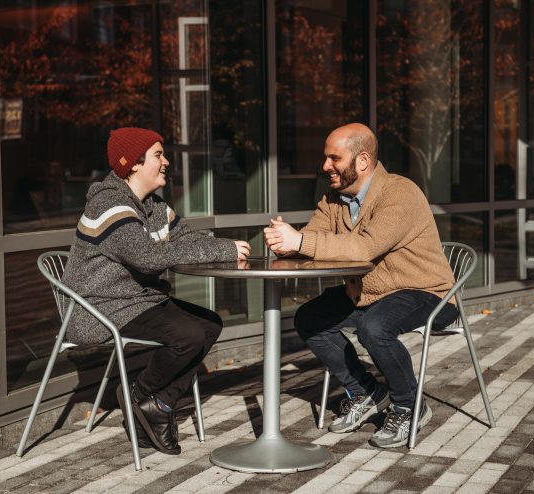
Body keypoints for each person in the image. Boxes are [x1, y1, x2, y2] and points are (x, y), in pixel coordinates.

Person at [263, 123, 457, 448]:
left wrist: (301, 240)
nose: (325, 166)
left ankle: (409, 405)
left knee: (375, 327)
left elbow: (365, 247)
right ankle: (367, 392)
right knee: (310, 319)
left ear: (363, 161)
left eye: (334, 158)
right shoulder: (334, 200)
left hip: (427, 292)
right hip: (370, 292)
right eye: (325, 158)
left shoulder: (400, 193)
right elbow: (315, 237)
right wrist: (289, 243)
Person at [62, 127, 250, 455]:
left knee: (209, 325)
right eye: (158, 155)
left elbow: (184, 239)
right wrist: (224, 251)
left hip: (135, 299)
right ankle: (142, 395)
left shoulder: (152, 205)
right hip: (99, 307)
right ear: (133, 163)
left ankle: (157, 402)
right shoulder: (109, 204)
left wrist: (228, 246)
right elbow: (148, 258)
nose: (167, 162)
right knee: (188, 335)